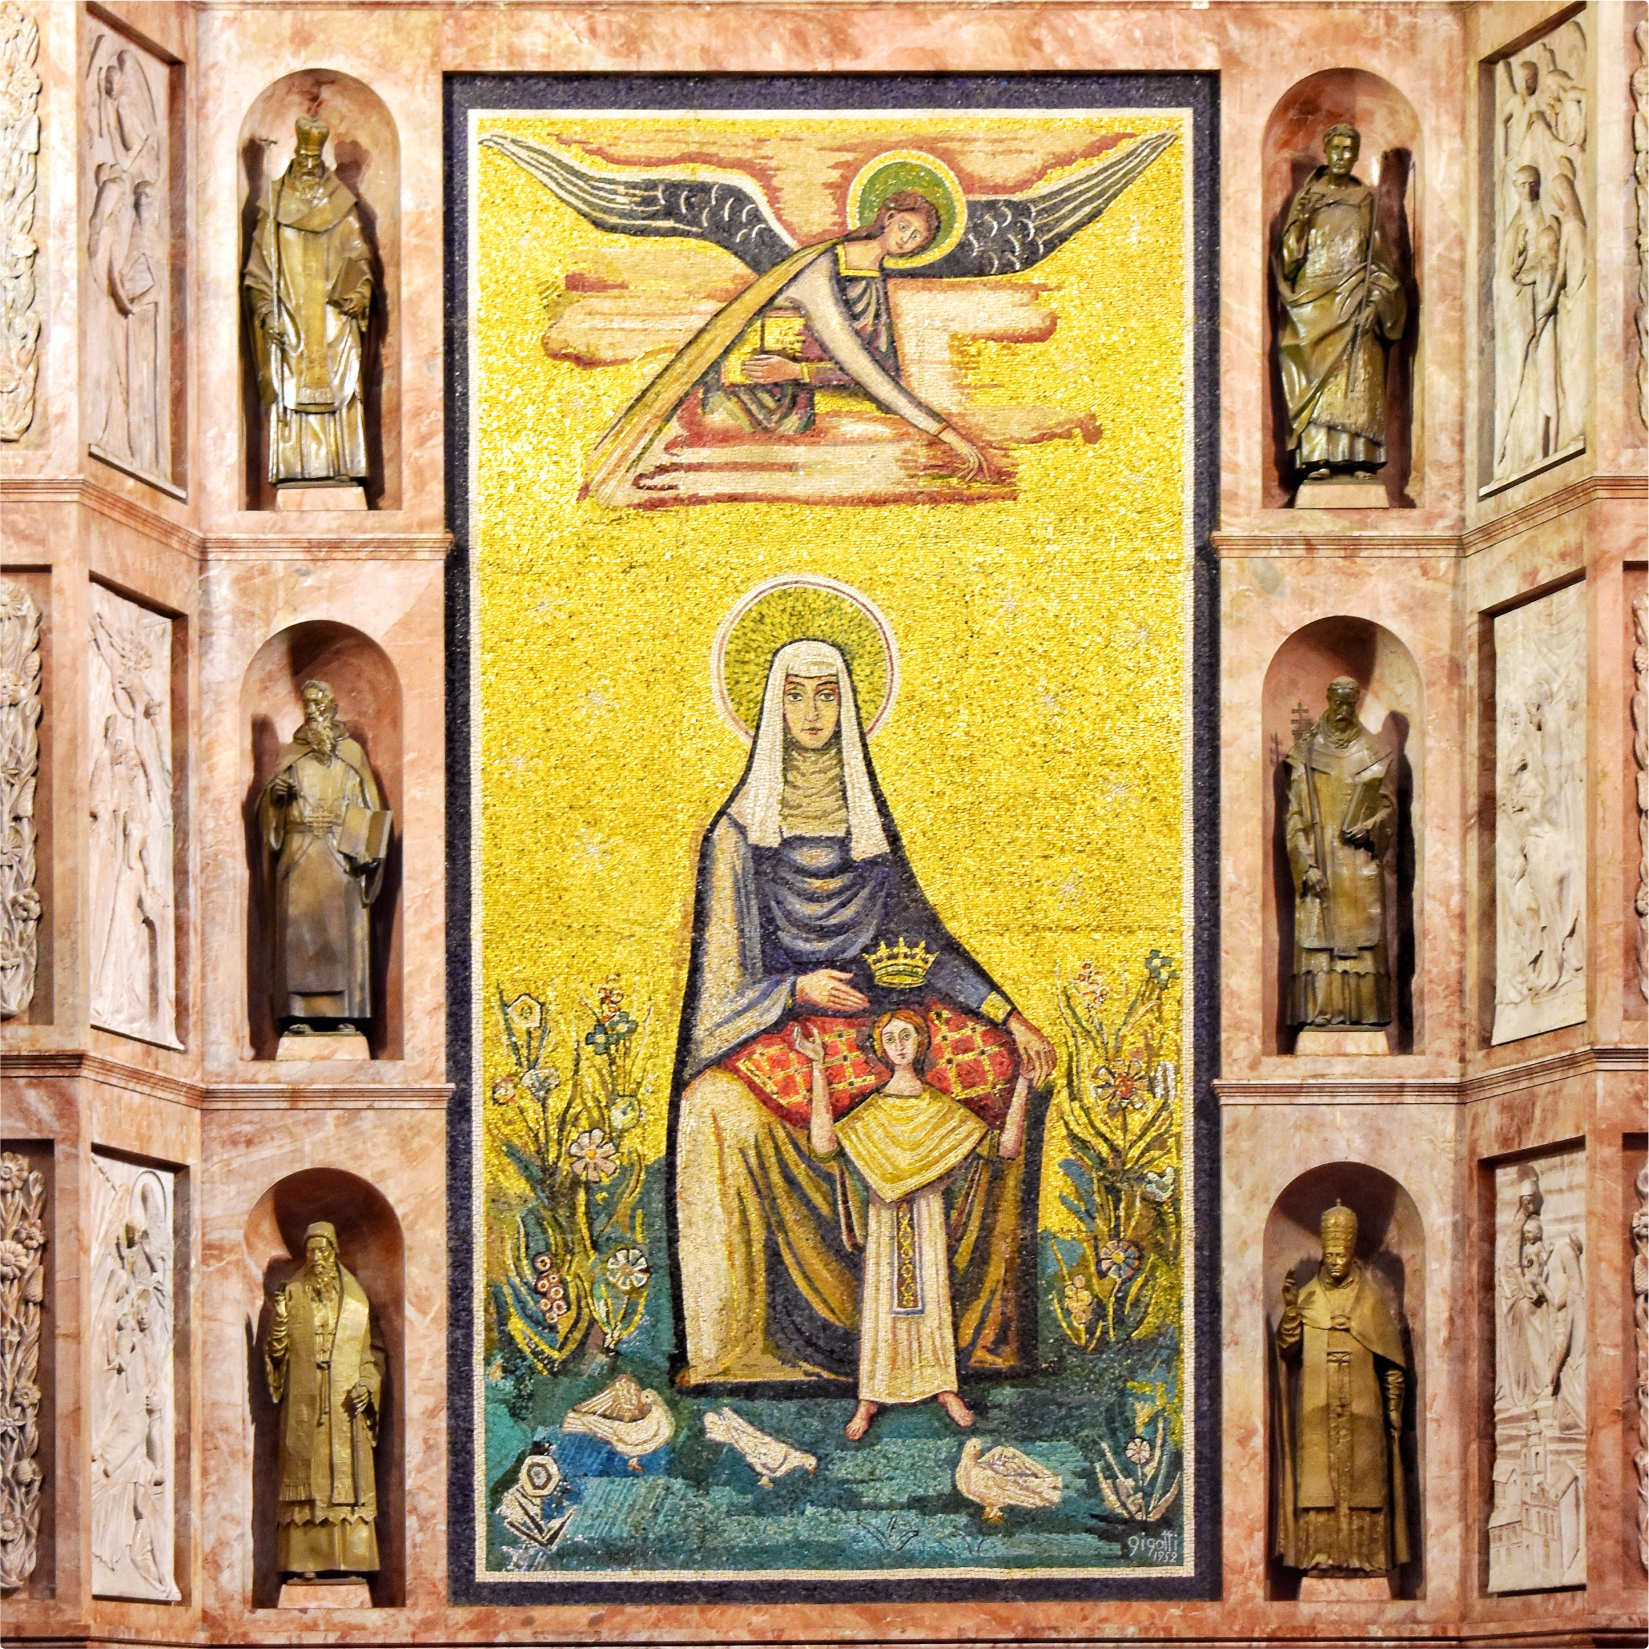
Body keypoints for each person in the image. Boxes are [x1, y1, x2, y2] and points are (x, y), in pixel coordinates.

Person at [671, 638, 1055, 1386]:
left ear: (848, 706)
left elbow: (923, 943)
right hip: (780, 1025)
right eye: (795, 694)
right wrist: (795, 991)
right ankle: (737, 1347)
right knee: (710, 1109)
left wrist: (1010, 1017)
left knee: (1013, 1067)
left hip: (881, 1024)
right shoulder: (738, 834)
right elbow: (720, 985)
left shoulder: (869, 827)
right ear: (771, 706)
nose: (811, 711)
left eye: (827, 694)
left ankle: (975, 1335)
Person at [797, 1007, 1032, 1440]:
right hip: (884, 1224)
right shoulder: (872, 1111)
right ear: (880, 1048)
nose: (899, 1046)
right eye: (890, 1039)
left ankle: (944, 1387)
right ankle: (871, 1396)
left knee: (933, 1304)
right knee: (882, 1307)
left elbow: (1006, 1149)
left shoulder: (940, 1108)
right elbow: (824, 1146)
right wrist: (817, 1067)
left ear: (921, 1043)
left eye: (906, 1036)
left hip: (927, 1220)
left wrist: (1022, 1084)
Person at [704, 192, 989, 478]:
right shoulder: (822, 270)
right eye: (904, 226)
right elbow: (858, 363)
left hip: (792, 412)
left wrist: (799, 371)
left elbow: (880, 373)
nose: (905, 239)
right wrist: (948, 435)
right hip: (740, 397)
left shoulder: (872, 282)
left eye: (916, 237)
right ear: (889, 218)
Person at [1274, 1202, 1409, 1575]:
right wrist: (1291, 1311)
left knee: (1365, 1481)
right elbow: (1287, 1348)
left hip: (1363, 1405)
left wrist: (1394, 1405)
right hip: (1317, 1404)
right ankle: (1319, 1556)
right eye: (1330, 1255)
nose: (1336, 1263)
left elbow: (1391, 1361)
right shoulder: (1307, 1298)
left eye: (1342, 1256)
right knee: (1319, 1483)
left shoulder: (1371, 1300)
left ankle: (1365, 1558)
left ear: (1351, 1255)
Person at [242, 116, 374, 488]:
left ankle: (342, 464)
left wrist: (360, 293)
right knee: (290, 380)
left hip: (332, 316)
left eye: (315, 164)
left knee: (339, 381)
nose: (309, 170)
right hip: (291, 312)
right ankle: (293, 469)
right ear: (295, 160)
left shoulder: (341, 206)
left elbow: (358, 257)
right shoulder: (274, 207)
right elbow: (259, 269)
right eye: (303, 162)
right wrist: (266, 311)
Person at [1274, 124, 1407, 483]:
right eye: (1337, 148)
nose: (1343, 156)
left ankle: (1361, 456)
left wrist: (1375, 301)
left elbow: (1381, 260)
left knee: (1357, 378)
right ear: (1327, 150)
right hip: (1314, 303)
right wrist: (1301, 223)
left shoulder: (1365, 201)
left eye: (1350, 150)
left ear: (1357, 155)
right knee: (1315, 373)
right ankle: (1317, 456)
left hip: (1355, 299)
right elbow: (1289, 261)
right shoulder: (1308, 199)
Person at [258, 680, 390, 1035]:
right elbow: (268, 813)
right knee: (298, 936)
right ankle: (297, 1014)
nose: (312, 710)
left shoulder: (352, 755)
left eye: (318, 704)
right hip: (299, 853)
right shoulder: (291, 755)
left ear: (331, 708)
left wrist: (365, 850)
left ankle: (346, 1012)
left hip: (339, 855)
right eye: (306, 704)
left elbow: (367, 806)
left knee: (341, 933)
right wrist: (276, 798)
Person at [265, 1223, 385, 1577]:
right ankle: (303, 1562)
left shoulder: (356, 1302)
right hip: (304, 1404)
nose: (317, 1258)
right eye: (311, 1251)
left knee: (346, 1481)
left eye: (323, 1250)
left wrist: (368, 1385)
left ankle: (352, 1560)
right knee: (305, 1484)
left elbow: (371, 1356)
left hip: (345, 1409)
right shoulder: (292, 1294)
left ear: (334, 1252)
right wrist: (280, 1320)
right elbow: (276, 1355)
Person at [1283, 677, 1395, 1029]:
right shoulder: (1306, 753)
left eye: (1350, 704)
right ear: (1328, 701)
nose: (1344, 711)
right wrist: (1305, 865)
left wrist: (1371, 827)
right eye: (1338, 703)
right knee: (1319, 940)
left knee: (1362, 941)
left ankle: (1364, 1014)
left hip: (1359, 865)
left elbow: (1388, 809)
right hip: (1321, 865)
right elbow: (1295, 816)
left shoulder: (1374, 752)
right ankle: (1320, 1014)